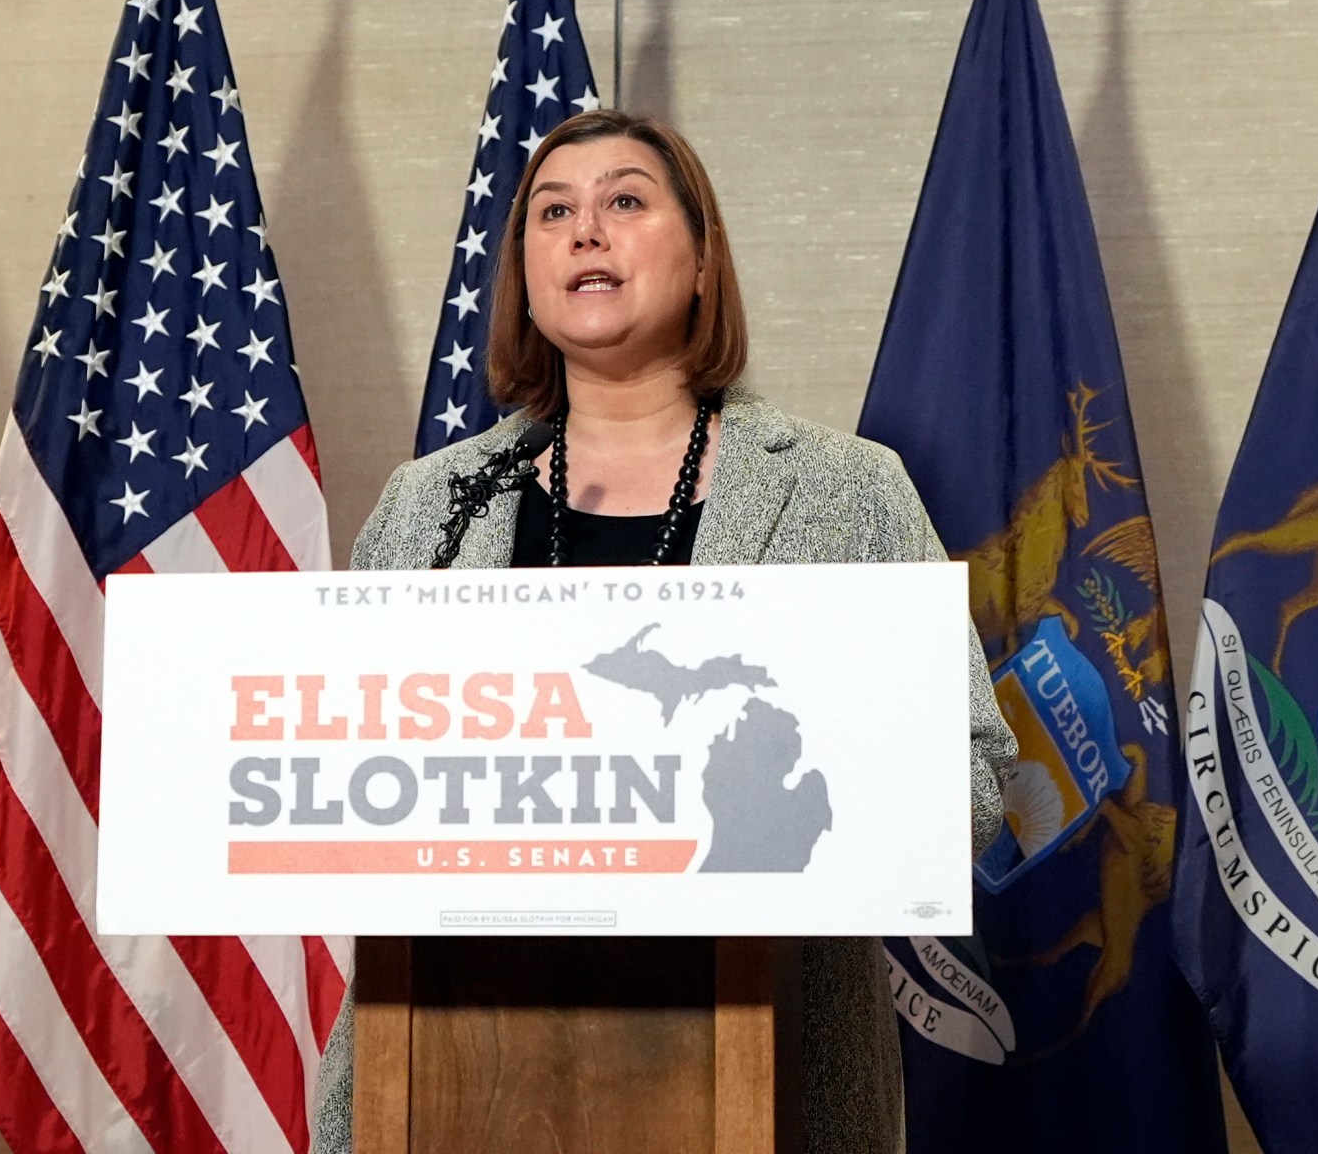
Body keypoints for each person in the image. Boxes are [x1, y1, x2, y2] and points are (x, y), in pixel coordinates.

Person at [311, 108, 1017, 1153]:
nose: (583, 230)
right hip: (451, 1068)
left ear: (699, 262)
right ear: (525, 273)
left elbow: (972, 774)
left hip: (768, 1060)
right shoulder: (429, 503)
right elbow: (337, 762)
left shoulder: (847, 489)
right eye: (552, 212)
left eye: (624, 201)